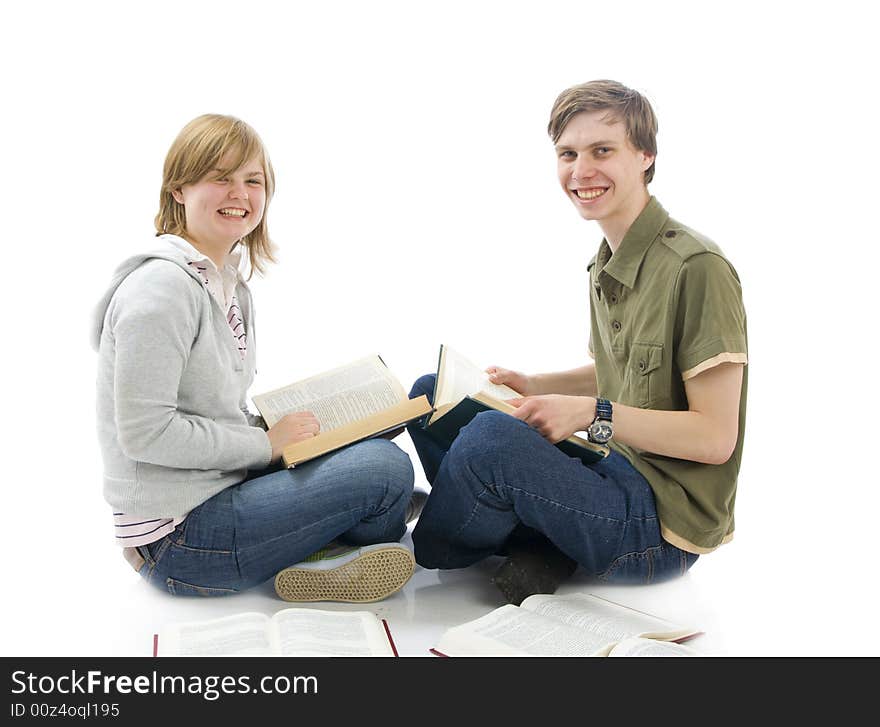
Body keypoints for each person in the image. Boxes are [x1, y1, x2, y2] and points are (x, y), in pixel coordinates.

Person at [407, 80, 748, 605]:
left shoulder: (698, 268)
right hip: (611, 468)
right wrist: (536, 385)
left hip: (658, 527)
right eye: (568, 153)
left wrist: (591, 412)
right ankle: (543, 543)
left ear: (645, 156)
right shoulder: (604, 262)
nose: (581, 170)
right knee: (433, 395)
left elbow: (715, 437)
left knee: (491, 442)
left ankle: (408, 549)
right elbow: (622, 371)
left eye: (602, 151)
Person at [92, 114, 419, 601]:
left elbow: (210, 410)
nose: (239, 193)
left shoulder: (226, 283)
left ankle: (347, 532)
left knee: (377, 441)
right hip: (179, 541)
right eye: (219, 177)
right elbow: (146, 434)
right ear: (179, 189)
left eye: (253, 180)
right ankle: (336, 546)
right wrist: (267, 447)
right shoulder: (160, 290)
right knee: (384, 470)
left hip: (216, 489)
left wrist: (290, 432)